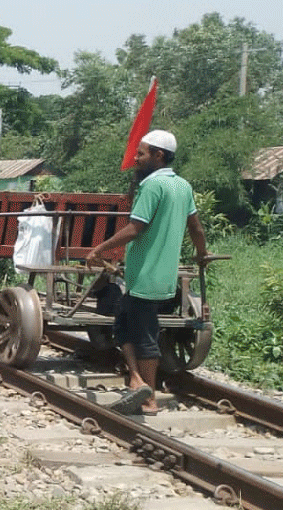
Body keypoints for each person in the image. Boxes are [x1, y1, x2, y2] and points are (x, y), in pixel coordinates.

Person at [85, 130, 209, 416]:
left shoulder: (152, 187)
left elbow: (134, 228)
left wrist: (99, 249)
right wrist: (202, 254)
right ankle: (135, 380)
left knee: (144, 336)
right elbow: (197, 229)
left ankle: (148, 398)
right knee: (123, 325)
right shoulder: (183, 187)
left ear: (159, 156)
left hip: (144, 275)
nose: (136, 159)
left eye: (141, 154)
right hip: (164, 276)